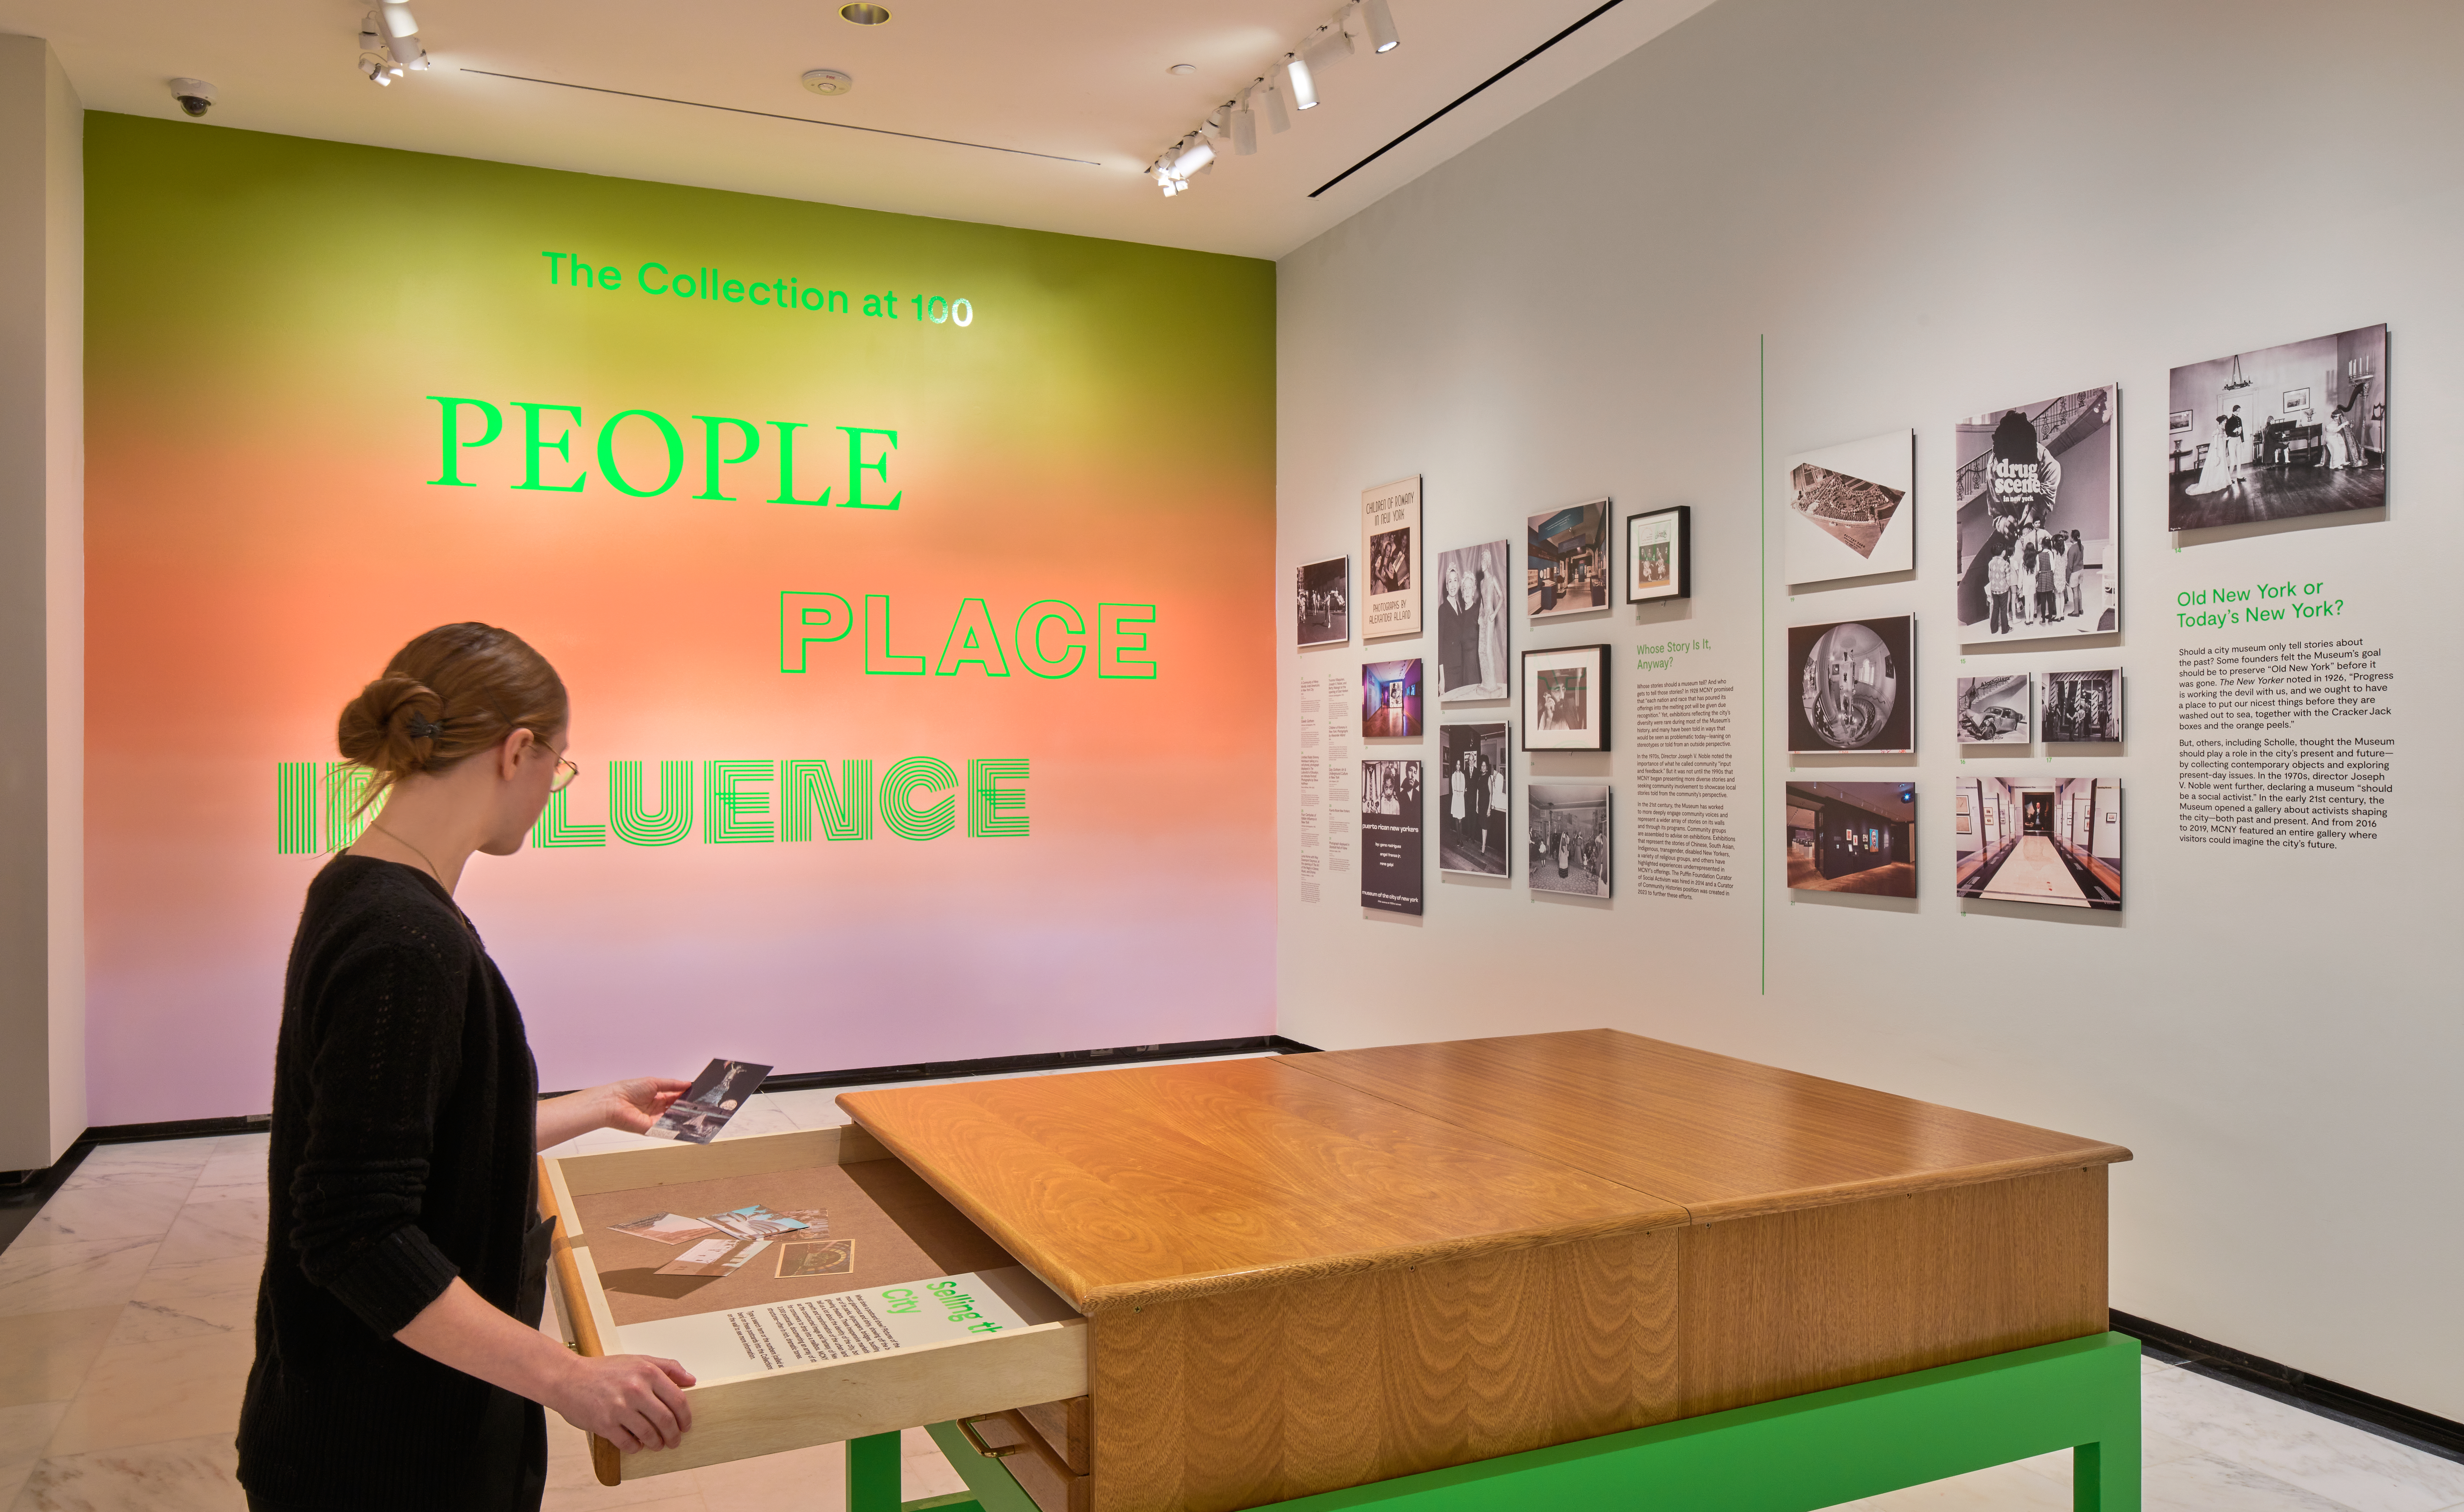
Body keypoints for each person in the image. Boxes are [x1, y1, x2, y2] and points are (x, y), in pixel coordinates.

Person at [238, 624, 700, 1512]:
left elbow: (416, 1133)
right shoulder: (406, 939)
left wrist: (600, 1103)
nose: (551, 793)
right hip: (384, 1450)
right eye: (559, 769)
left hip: (365, 1416)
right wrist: (567, 1376)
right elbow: (355, 1229)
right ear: (518, 749)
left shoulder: (359, 888)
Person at [1986, 551, 2012, 636]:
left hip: (1994, 589)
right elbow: (2008, 578)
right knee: (2004, 609)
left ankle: (1994, 629)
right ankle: (2005, 629)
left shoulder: (1991, 563)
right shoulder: (2006, 564)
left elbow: (1990, 576)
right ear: (2003, 552)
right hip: (2003, 590)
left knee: (1996, 609)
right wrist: (2007, 586)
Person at [2064, 530, 2084, 617]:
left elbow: (2070, 566)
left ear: (2072, 538)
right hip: (2081, 570)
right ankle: (2080, 609)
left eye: (2071, 536)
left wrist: (2067, 578)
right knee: (2079, 589)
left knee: (2075, 591)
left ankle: (2076, 612)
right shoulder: (2081, 546)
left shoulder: (2072, 549)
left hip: (2075, 572)